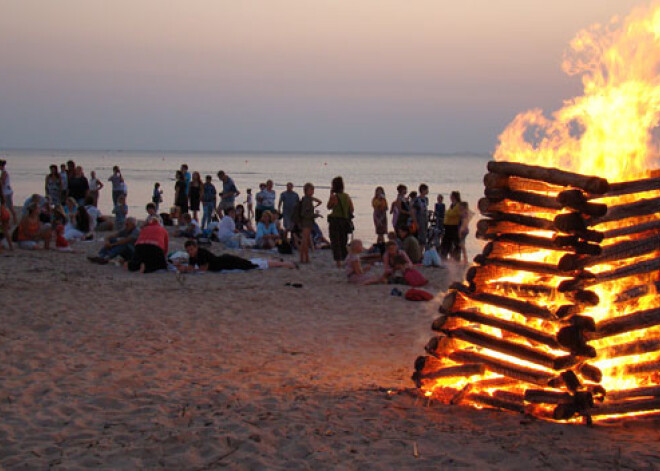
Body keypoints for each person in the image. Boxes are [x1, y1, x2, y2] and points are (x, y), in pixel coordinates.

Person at [178, 239, 297, 273]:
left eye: (191, 249)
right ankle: (276, 261)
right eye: (188, 251)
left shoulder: (201, 253)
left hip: (228, 262)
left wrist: (188, 270)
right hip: (225, 261)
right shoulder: (192, 257)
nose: (190, 252)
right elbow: (191, 267)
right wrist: (183, 268)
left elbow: (203, 269)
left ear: (196, 247)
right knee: (252, 261)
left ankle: (285, 264)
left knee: (254, 265)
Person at [326, 176, 353, 267]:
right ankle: (345, 259)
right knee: (343, 241)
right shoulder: (347, 196)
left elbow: (329, 206)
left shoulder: (334, 197)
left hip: (335, 221)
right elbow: (352, 209)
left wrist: (331, 195)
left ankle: (338, 263)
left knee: (335, 242)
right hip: (345, 221)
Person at [297, 182, 322, 264]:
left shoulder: (307, 199)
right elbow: (304, 213)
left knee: (306, 240)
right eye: (311, 189)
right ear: (306, 190)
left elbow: (319, 201)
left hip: (308, 222)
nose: (312, 191)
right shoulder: (306, 200)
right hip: (306, 222)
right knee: (305, 240)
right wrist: (315, 215)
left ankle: (305, 258)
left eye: (313, 189)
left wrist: (312, 198)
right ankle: (303, 258)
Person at [439, 191, 462, 261]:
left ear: (455, 197)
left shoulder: (458, 205)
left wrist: (446, 212)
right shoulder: (452, 205)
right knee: (445, 242)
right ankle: (443, 257)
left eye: (451, 196)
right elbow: (449, 213)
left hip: (454, 227)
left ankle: (456, 258)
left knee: (456, 243)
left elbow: (452, 213)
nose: (450, 198)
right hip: (448, 227)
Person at [0, 159, 16, 224]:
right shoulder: (3, 172)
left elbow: (2, 183)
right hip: (5, 192)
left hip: (6, 193)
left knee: (9, 207)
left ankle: (14, 220)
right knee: (5, 207)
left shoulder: (4, 172)